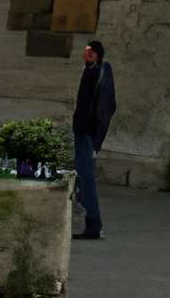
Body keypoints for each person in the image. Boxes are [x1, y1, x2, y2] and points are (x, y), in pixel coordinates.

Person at [71, 38, 116, 241]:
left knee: (86, 178)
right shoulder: (89, 70)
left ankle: (92, 225)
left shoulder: (101, 72)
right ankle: (84, 222)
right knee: (81, 177)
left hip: (89, 132)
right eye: (86, 51)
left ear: (98, 54)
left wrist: (97, 140)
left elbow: (106, 108)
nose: (87, 54)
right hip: (82, 129)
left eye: (91, 52)